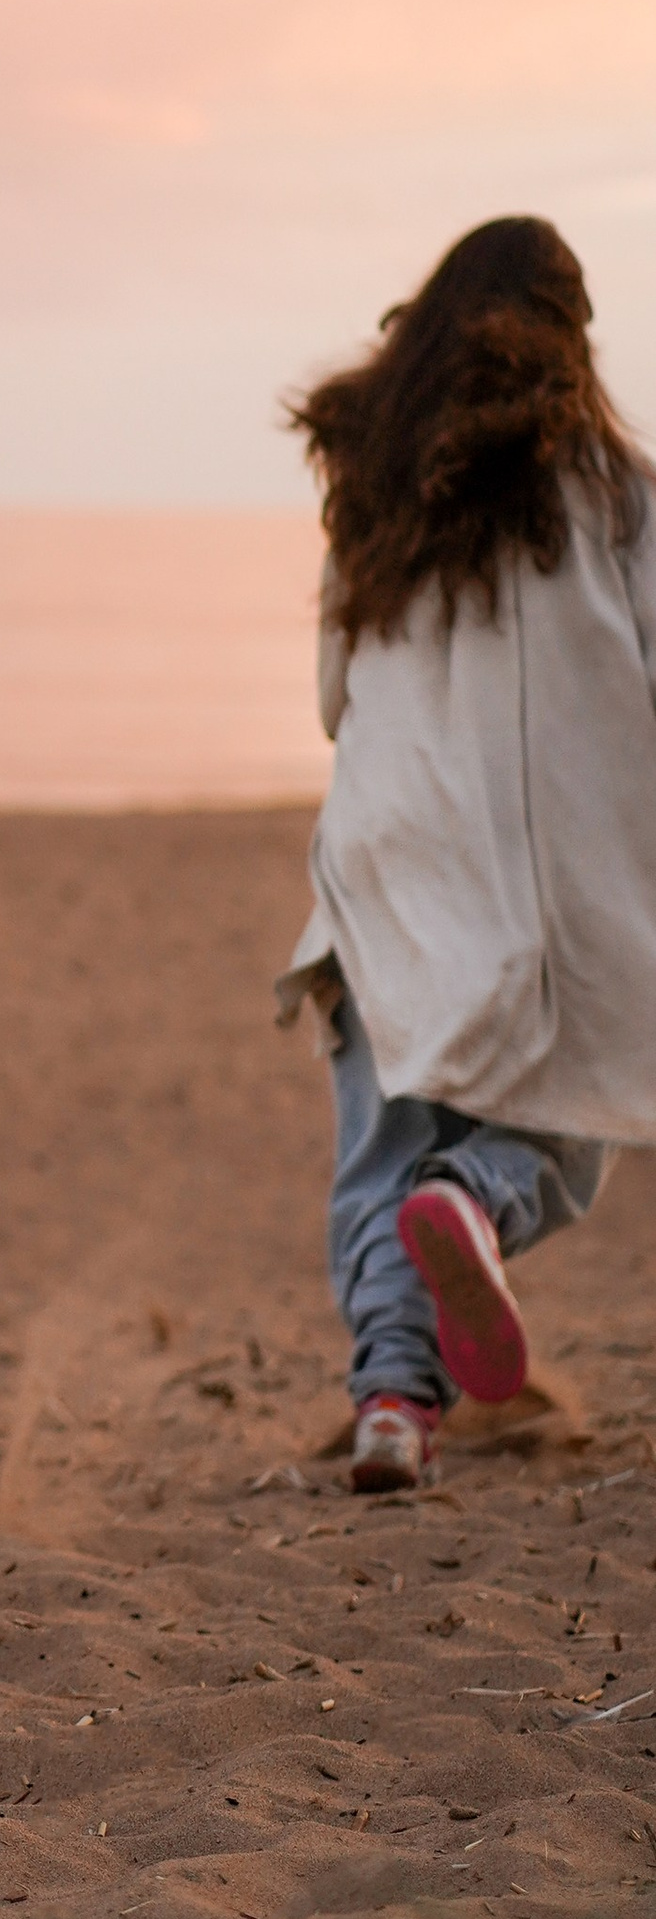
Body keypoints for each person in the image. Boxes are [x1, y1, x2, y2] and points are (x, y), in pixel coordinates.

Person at [280, 218, 656, 1494]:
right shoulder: (617, 499)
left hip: (379, 871)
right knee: (560, 1119)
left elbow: (333, 698)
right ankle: (478, 1199)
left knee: (378, 1157)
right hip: (530, 886)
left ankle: (393, 1408)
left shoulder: (372, 503)